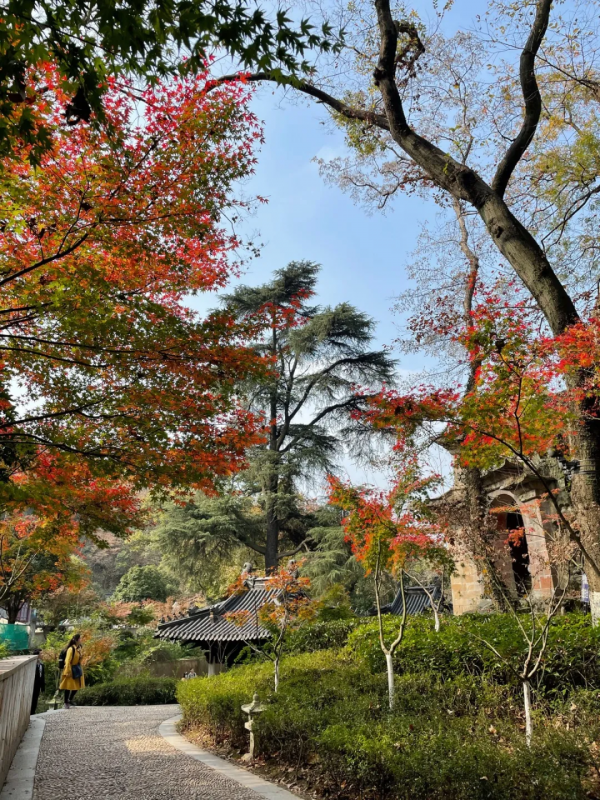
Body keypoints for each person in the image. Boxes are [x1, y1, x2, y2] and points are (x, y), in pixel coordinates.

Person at [59, 633, 85, 708]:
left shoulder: (79, 648)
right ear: (76, 640)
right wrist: (67, 671)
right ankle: (66, 702)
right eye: (80, 638)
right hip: (70, 669)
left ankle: (70, 699)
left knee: (77, 685)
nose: (81, 640)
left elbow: (79, 659)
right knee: (68, 686)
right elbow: (67, 660)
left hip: (77, 668)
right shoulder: (71, 649)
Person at [31, 650, 45, 714]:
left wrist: (43, 686)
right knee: (32, 698)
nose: (42, 655)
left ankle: (33, 712)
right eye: (41, 653)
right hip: (32, 685)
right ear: (37, 655)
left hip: (38, 685)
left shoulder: (41, 664)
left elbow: (42, 676)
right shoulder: (32, 665)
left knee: (35, 699)